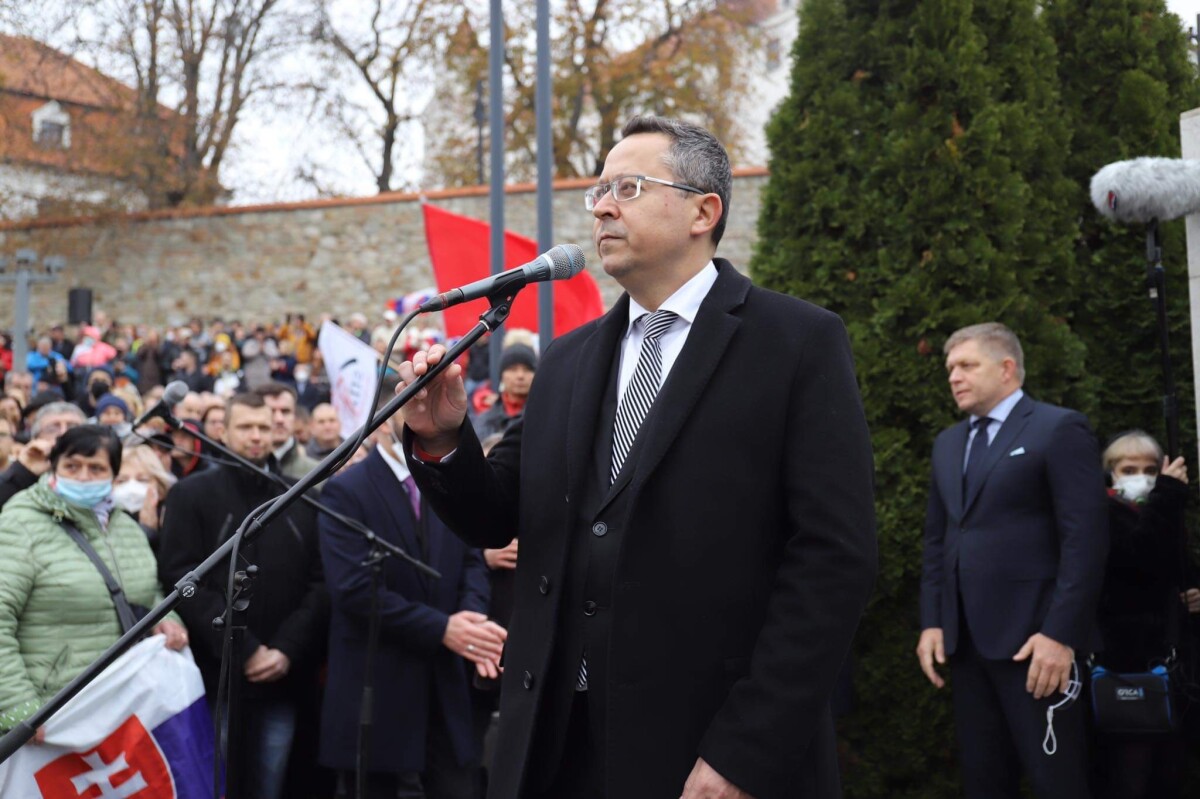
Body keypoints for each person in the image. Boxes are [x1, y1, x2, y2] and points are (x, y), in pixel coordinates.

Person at [398, 116, 877, 799]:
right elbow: (501, 510)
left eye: (628, 186)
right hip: (558, 744)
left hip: (706, 746)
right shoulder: (570, 358)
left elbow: (834, 558)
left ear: (702, 211)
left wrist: (745, 750)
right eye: (598, 190)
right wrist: (444, 438)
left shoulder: (795, 343)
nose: (600, 205)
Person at [916, 322, 1108, 799]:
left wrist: (1060, 636)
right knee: (985, 784)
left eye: (966, 365)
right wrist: (934, 622)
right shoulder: (947, 444)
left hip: (1037, 648)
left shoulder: (1058, 428)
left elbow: (1086, 540)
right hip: (966, 649)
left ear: (1007, 369)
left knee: (1057, 783)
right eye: (949, 369)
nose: (954, 377)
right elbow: (939, 541)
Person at [317, 379, 499, 798]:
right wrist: (442, 629)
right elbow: (355, 590)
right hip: (379, 685)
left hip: (445, 690)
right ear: (382, 423)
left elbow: (472, 557)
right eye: (410, 413)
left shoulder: (446, 481)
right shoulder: (346, 491)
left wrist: (470, 617)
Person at [158, 392, 329, 799]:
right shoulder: (191, 495)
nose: (255, 437)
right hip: (220, 676)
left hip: (284, 675)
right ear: (224, 430)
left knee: (271, 783)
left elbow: (321, 582)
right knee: (218, 784)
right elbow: (181, 577)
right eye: (245, 427)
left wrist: (286, 648)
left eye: (263, 428)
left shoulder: (302, 495)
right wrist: (244, 648)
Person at [0, 425, 188, 735]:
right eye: (72, 466)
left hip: (118, 709)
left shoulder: (126, 527)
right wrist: (19, 709)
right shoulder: (20, 522)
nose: (84, 477)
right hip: (52, 712)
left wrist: (167, 616)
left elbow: (146, 590)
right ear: (54, 468)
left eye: (96, 468)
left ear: (112, 475)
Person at [1092, 431, 1189, 798]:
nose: (1140, 477)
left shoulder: (1161, 509)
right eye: (1128, 468)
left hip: (1169, 661)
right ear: (1111, 474)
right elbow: (1138, 561)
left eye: (1150, 469)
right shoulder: (1105, 513)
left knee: (1168, 772)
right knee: (1129, 774)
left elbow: (1173, 567)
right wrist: (1166, 497)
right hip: (1124, 664)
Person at [0, 401, 86, 509]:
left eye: (73, 428)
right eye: (52, 429)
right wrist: (23, 471)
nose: (63, 433)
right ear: (36, 439)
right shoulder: (25, 474)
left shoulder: (102, 470)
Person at [113, 443, 178, 552]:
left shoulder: (173, 520)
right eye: (121, 481)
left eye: (142, 480)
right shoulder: (103, 522)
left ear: (160, 487)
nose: (131, 487)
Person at [257, 382, 321, 481]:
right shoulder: (236, 470)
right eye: (271, 411)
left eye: (285, 411)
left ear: (295, 416)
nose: (279, 419)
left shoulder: (318, 474)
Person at [473, 344, 536, 440]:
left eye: (527, 369)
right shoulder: (485, 421)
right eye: (513, 369)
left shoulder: (545, 417)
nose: (520, 375)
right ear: (502, 375)